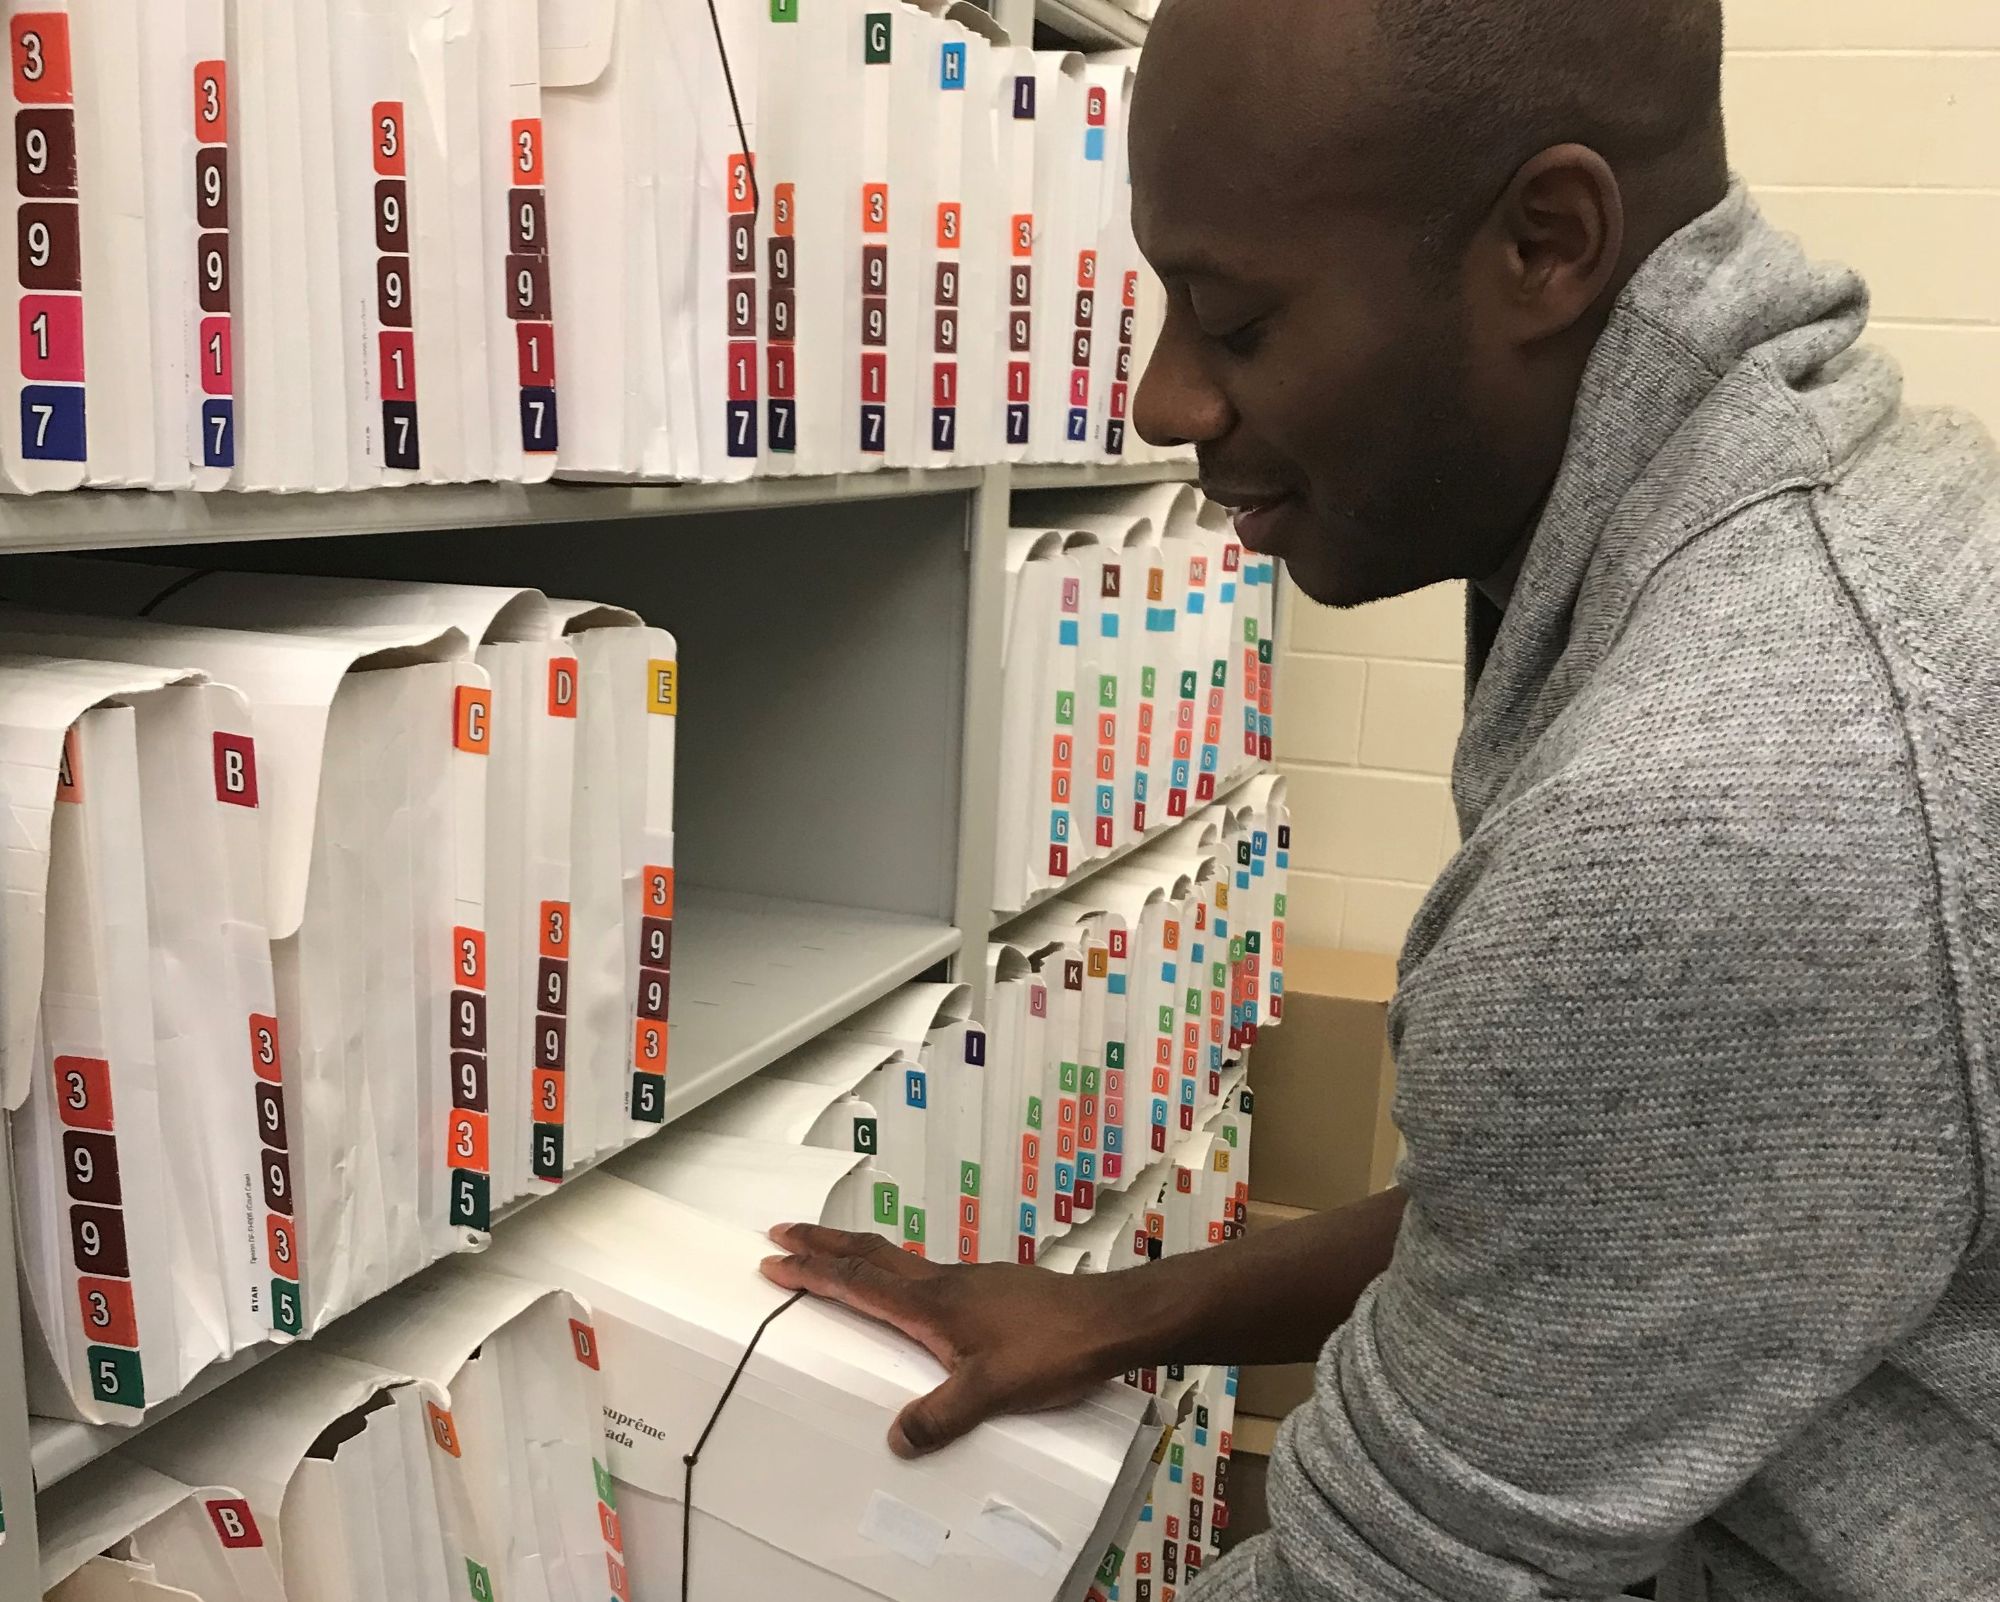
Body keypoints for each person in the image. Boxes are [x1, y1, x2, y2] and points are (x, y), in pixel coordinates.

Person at [763, 0, 2000, 1596]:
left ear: (1547, 242)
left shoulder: (1715, 810)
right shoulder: (1839, 504)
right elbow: (1596, 1212)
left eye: (1236, 319)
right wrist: (1123, 1309)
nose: (1165, 401)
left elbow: (1391, 1578)